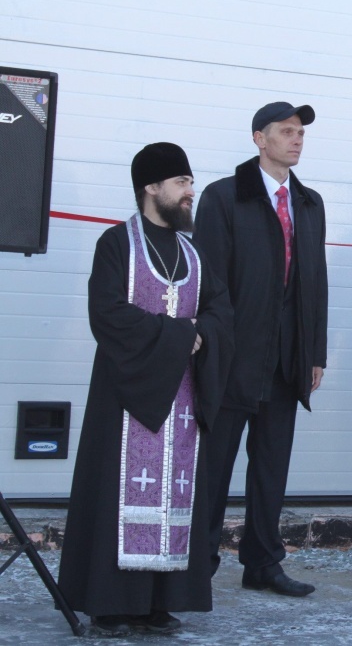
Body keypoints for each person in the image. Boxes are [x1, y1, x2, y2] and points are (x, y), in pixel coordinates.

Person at [57, 143, 233, 636]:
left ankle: (160, 600)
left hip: (182, 402)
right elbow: (107, 313)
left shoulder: (194, 254)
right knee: (116, 495)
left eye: (190, 181)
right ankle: (110, 604)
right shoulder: (117, 244)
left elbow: (221, 312)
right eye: (181, 182)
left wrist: (202, 333)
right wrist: (180, 335)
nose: (191, 191)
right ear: (151, 187)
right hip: (126, 397)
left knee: (175, 497)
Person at [193, 101, 328, 597]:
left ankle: (263, 563)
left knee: (271, 469)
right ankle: (197, 567)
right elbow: (208, 284)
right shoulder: (224, 197)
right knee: (213, 469)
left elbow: (316, 283)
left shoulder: (309, 203)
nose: (296, 139)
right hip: (232, 360)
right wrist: (211, 351)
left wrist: (315, 353)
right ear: (259, 138)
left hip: (286, 361)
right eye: (285, 131)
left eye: (300, 133)